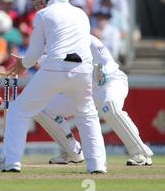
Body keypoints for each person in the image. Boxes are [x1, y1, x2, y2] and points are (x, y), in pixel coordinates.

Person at [0, 0, 107, 174]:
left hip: (54, 70)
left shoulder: (44, 15)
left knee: (18, 110)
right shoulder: (81, 14)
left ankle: (11, 162)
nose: (40, 0)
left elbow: (35, 52)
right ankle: (97, 165)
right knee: (87, 114)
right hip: (82, 70)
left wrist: (23, 64)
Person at [33, 35, 153, 166]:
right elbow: (45, 60)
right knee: (42, 110)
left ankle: (140, 153)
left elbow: (111, 64)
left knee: (109, 107)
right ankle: (72, 153)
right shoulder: (58, 44)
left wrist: (104, 72)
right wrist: (26, 61)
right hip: (84, 91)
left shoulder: (90, 40)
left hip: (110, 82)